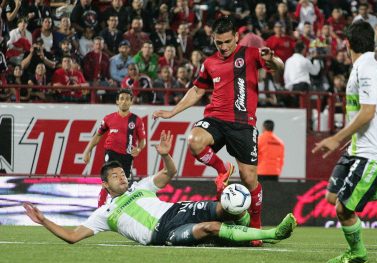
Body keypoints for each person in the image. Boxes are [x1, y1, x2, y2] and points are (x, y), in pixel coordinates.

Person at [24, 131, 297, 247]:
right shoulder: (105, 213)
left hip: (178, 210)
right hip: (164, 233)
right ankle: (274, 233)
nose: (122, 177)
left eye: (122, 173)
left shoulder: (140, 187)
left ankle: (245, 221)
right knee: (210, 227)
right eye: (116, 176)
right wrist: (43, 220)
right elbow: (73, 236)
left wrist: (166, 156)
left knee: (224, 207)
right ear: (105, 184)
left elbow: (170, 173)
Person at [152, 16, 284, 244]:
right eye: (218, 43)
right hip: (215, 118)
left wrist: (273, 59)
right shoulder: (210, 63)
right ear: (213, 40)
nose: (223, 47)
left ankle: (255, 224)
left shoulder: (251, 54)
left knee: (249, 178)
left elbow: (278, 67)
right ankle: (222, 168)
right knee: (194, 140)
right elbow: (197, 90)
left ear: (236, 37)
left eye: (227, 42)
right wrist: (172, 112)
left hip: (243, 124)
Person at [312, 20, 377, 263]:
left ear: (347, 43)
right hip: (358, 147)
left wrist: (336, 137)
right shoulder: (363, 66)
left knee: (343, 208)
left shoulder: (367, 69)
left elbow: (368, 112)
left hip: (372, 153)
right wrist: (349, 138)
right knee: (332, 196)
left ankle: (357, 253)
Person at [83, 89, 146, 207]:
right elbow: (98, 136)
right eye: (122, 98)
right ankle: (100, 208)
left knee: (123, 184)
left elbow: (143, 140)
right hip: (111, 152)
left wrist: (138, 149)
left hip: (127, 156)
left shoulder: (136, 120)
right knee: (108, 180)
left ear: (131, 102)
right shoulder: (108, 118)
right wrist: (87, 151)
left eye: (127, 99)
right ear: (117, 101)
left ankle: (120, 210)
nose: (124, 101)